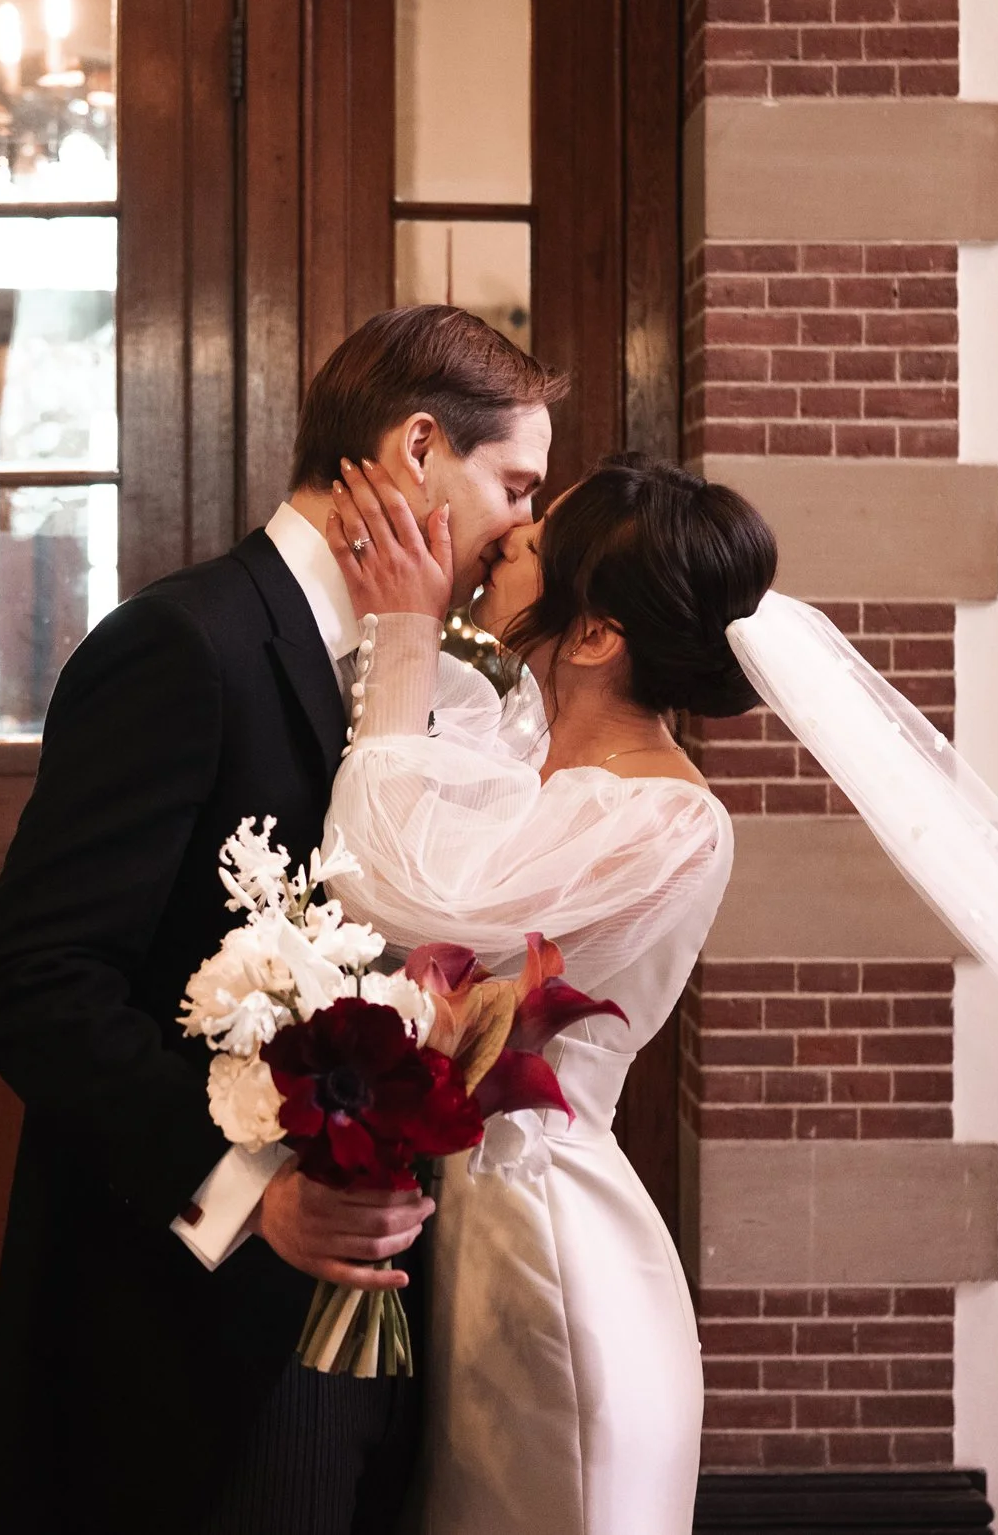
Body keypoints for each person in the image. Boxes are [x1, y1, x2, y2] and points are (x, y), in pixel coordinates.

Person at [0, 303, 559, 1534]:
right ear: (416, 449)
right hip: (173, 1326)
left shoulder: (424, 671)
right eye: (514, 481)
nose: (525, 524)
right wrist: (244, 1190)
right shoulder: (184, 644)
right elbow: (32, 979)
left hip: (355, 1314)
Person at [320, 452, 777, 1535]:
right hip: (475, 1225)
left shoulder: (661, 817)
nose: (502, 541)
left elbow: (385, 883)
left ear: (595, 632)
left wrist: (402, 636)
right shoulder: (528, 761)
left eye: (532, 541)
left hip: (548, 1248)